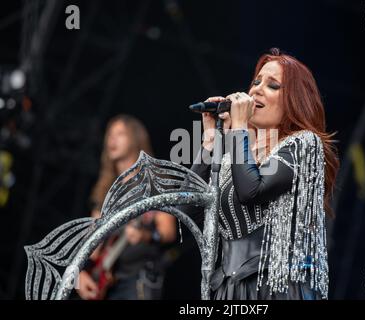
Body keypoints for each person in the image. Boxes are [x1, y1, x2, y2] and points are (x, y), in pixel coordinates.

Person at [190, 48, 339, 300]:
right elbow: (185, 208)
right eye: (256, 82)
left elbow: (252, 191)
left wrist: (238, 128)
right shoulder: (231, 161)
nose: (256, 89)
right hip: (228, 291)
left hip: (275, 288)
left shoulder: (303, 144)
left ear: (295, 100)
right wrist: (210, 141)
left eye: (272, 85)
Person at [76, 114, 177, 300]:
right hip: (107, 284)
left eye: (120, 133)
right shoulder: (105, 190)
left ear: (135, 138)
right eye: (109, 134)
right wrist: (80, 273)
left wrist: (145, 235)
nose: (112, 139)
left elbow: (168, 232)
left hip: (139, 280)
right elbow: (93, 243)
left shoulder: (155, 181)